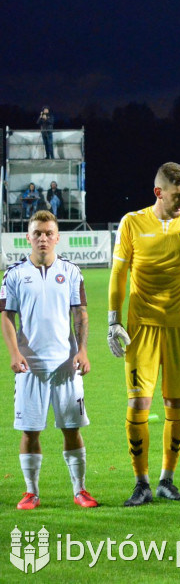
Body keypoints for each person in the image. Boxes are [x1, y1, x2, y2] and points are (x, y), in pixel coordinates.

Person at [107, 162, 180, 506]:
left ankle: (166, 481)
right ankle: (140, 482)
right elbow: (118, 275)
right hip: (141, 327)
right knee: (138, 403)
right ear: (159, 192)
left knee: (176, 402)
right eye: (177, 196)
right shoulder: (132, 222)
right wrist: (113, 321)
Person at [1, 211, 98, 509]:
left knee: (72, 428)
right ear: (28, 238)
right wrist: (14, 354)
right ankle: (31, 492)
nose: (43, 238)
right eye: (37, 233)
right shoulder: (14, 274)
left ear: (57, 237)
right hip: (30, 366)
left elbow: (80, 313)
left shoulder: (70, 271)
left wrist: (82, 351)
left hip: (66, 365)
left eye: (48, 233)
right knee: (30, 430)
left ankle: (80, 490)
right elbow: (6, 316)